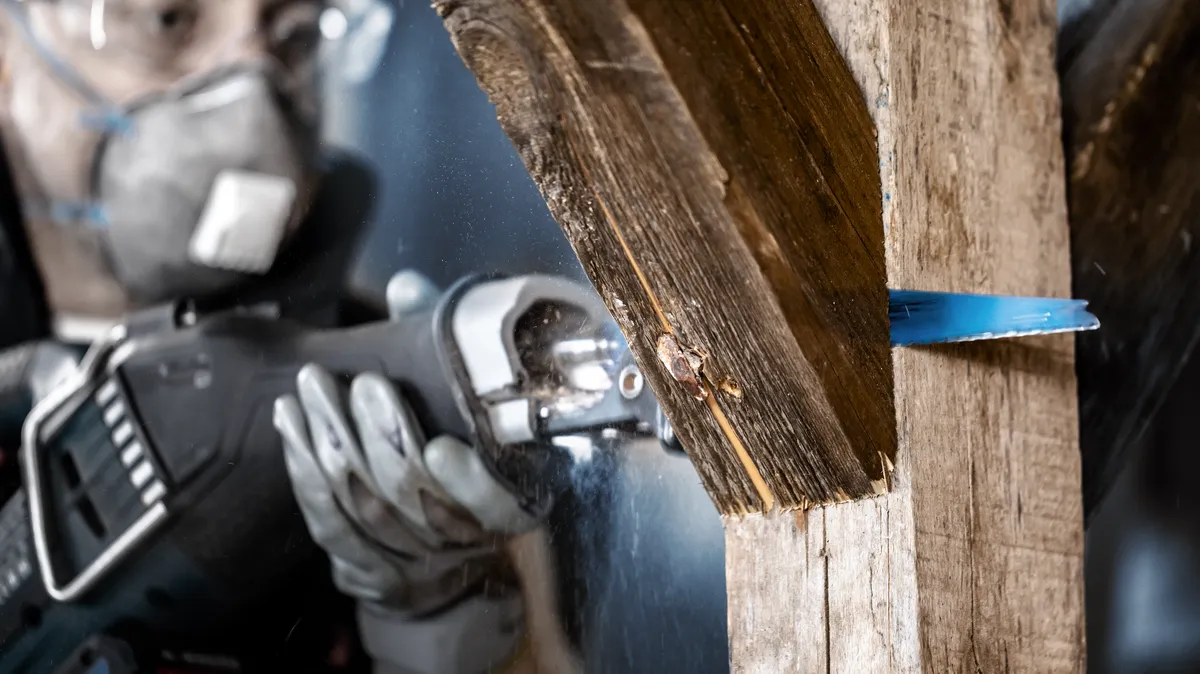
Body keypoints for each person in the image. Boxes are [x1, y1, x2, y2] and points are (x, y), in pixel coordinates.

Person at [0, 1, 576, 672]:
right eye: (168, 22)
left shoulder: (395, 395)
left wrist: (450, 628)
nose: (249, 89)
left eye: (291, 35)